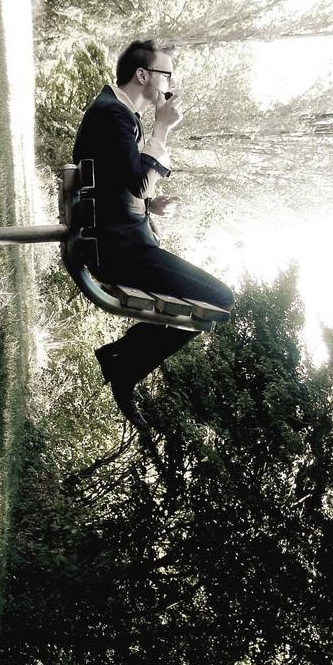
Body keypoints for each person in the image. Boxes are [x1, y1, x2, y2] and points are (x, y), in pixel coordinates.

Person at [72, 39, 234, 430]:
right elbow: (137, 183)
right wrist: (162, 128)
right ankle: (122, 362)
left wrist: (149, 206)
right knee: (221, 299)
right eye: (167, 75)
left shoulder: (115, 112)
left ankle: (121, 362)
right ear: (143, 75)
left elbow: (119, 186)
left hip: (116, 242)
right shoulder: (115, 115)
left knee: (215, 301)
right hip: (119, 253)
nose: (171, 85)